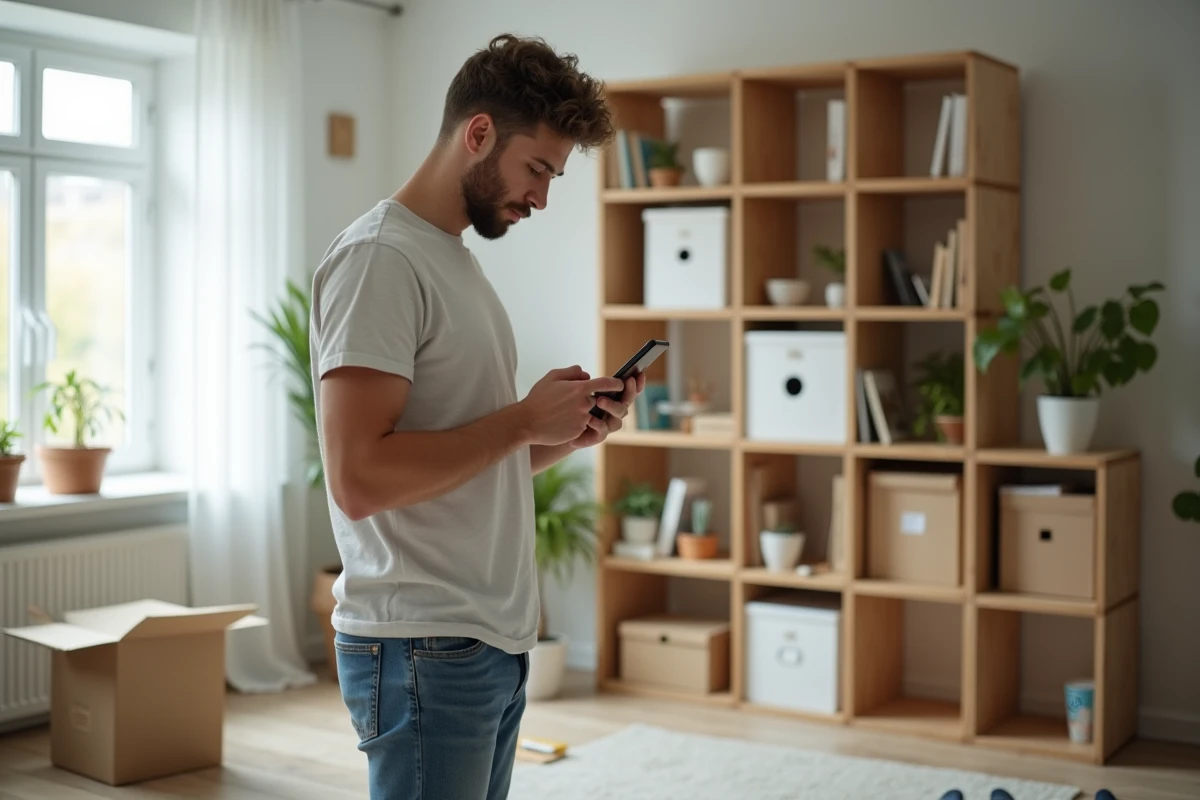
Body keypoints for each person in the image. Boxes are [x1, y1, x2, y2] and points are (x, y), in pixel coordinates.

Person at [309, 33, 632, 800]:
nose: (543, 197)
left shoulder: (453, 261)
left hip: (480, 640)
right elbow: (359, 479)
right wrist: (522, 420)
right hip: (423, 640)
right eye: (538, 169)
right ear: (478, 133)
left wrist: (561, 434)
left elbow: (459, 460)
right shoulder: (381, 260)